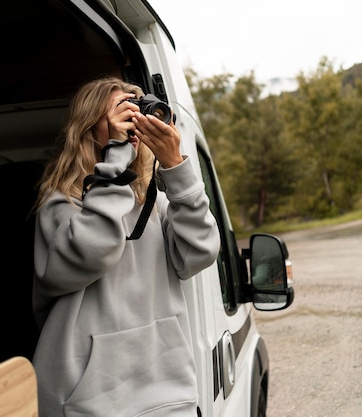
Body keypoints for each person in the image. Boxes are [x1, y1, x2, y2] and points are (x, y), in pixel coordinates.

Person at [32, 77, 220, 416]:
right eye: (122, 113)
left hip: (167, 395)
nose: (134, 123)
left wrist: (177, 167)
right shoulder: (60, 202)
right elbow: (94, 251)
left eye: (139, 113)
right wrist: (115, 160)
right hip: (88, 402)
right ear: (89, 129)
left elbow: (200, 253)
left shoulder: (155, 202)